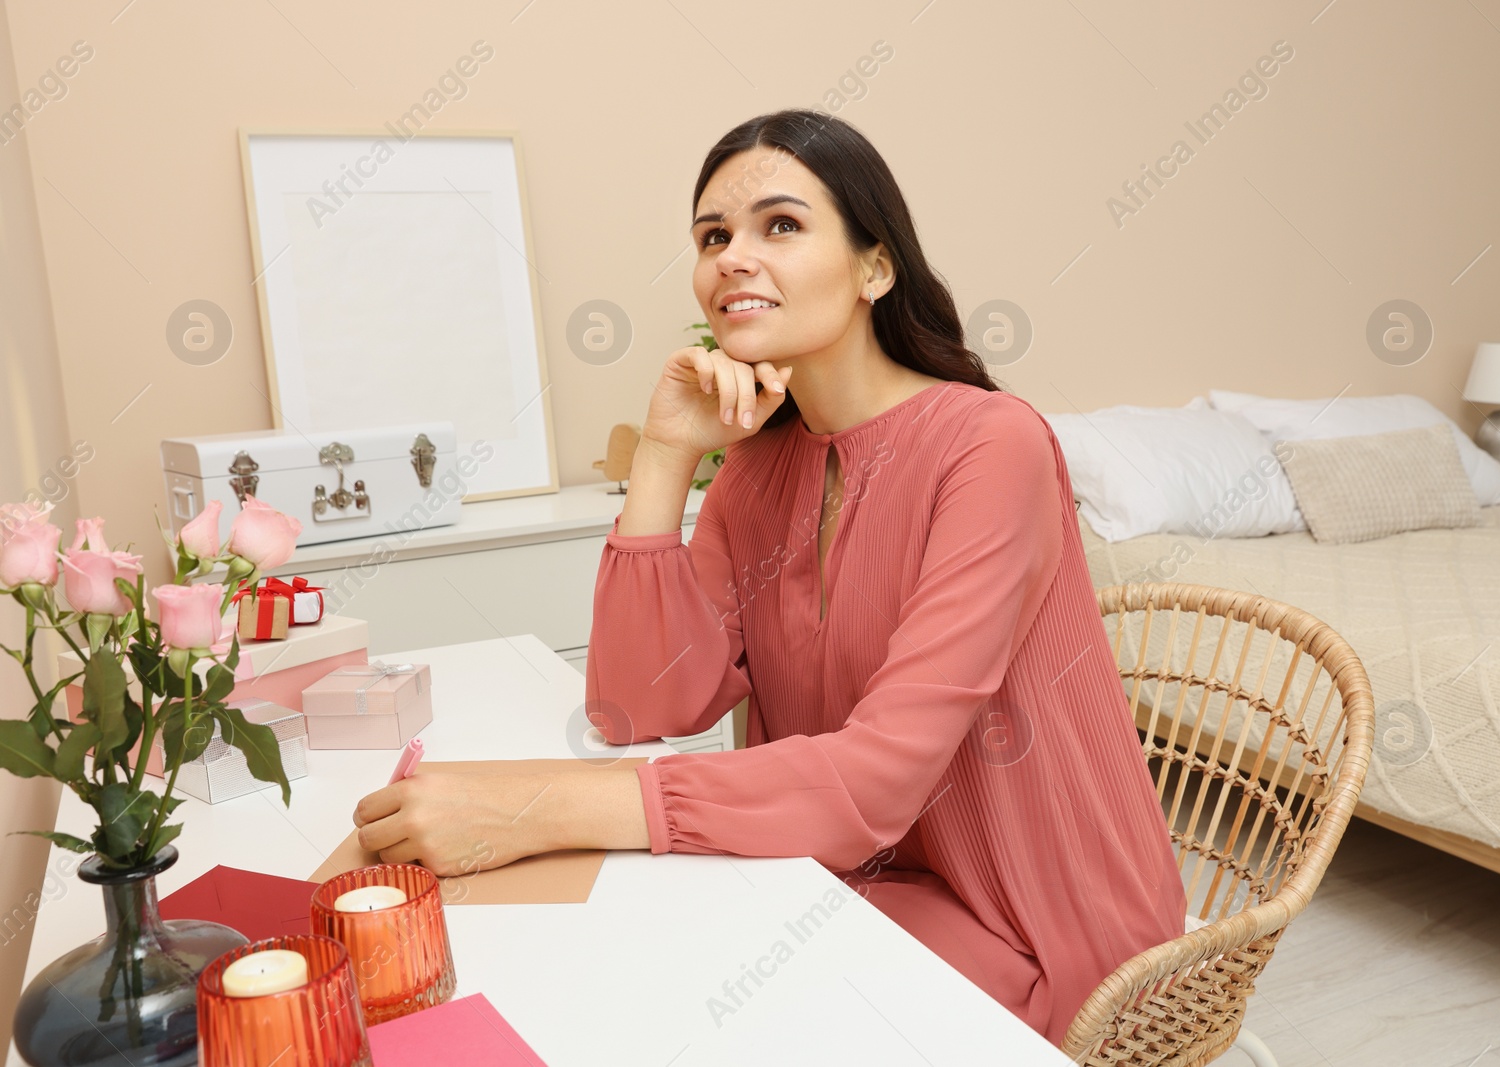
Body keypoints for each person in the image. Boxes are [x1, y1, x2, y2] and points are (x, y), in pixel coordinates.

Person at [352, 108, 1186, 1046]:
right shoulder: (757, 468)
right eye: (714, 236)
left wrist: (536, 806)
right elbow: (638, 707)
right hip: (840, 876)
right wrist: (668, 454)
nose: (732, 258)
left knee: (685, 1006)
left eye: (779, 225)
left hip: (1037, 925)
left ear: (876, 268)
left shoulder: (993, 446)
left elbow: (879, 780)